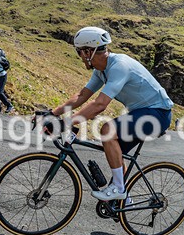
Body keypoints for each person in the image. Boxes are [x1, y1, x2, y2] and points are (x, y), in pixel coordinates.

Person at [45, 27, 173, 201]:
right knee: (115, 152)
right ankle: (124, 200)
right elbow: (82, 96)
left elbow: (100, 105)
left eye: (80, 52)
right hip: (142, 112)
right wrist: (52, 113)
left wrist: (67, 123)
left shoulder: (119, 66)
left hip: (158, 113)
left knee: (108, 130)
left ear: (89, 51)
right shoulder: (101, 70)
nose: (80, 56)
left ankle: (119, 188)